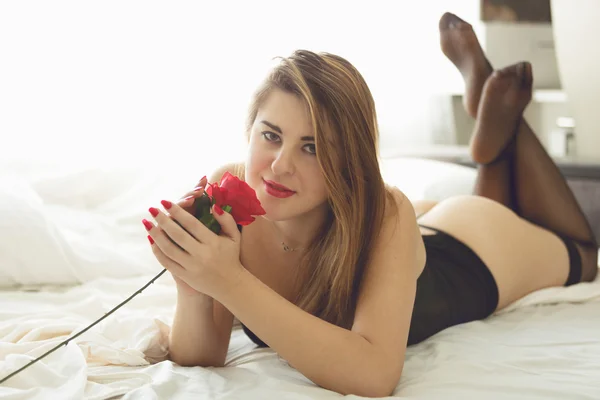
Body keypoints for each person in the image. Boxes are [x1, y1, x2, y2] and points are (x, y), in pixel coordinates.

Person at [145, 12, 599, 397]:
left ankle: (502, 121)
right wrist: (195, 282)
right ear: (250, 131)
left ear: (350, 159)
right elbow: (202, 357)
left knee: (583, 252)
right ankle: (491, 123)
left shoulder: (385, 210)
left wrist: (229, 280)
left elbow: (376, 376)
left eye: (313, 147)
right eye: (270, 135)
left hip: (476, 251)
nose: (279, 166)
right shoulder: (230, 192)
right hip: (421, 237)